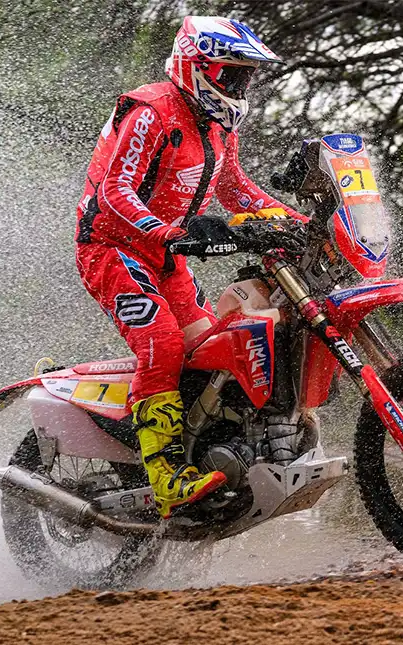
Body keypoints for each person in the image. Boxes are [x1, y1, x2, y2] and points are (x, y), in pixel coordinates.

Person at [74, 16, 307, 518]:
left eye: (245, 77)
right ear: (196, 67)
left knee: (210, 350)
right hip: (112, 249)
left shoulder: (219, 126)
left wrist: (301, 224)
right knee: (162, 343)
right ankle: (165, 478)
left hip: (165, 255)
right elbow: (114, 191)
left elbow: (235, 189)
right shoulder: (152, 111)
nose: (239, 86)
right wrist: (170, 232)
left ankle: (209, 452)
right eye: (231, 74)